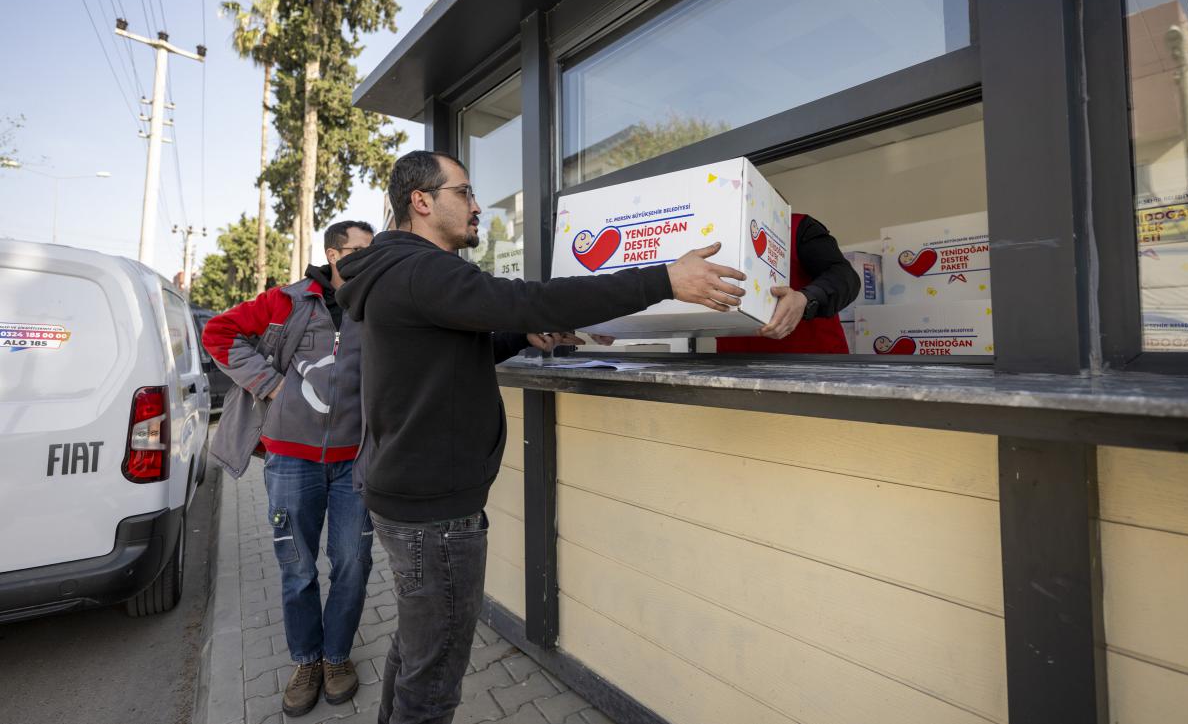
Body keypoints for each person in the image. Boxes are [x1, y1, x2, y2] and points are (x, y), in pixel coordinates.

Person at [336, 150, 747, 724]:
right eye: (464, 192)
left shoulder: (399, 271)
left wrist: (523, 336)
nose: (477, 206)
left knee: (415, 653)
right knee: (431, 681)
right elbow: (531, 299)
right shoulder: (423, 270)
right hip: (433, 515)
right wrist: (665, 279)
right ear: (421, 201)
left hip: (409, 498)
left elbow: (449, 355)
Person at [202, 221, 376, 717]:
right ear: (333, 254)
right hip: (291, 462)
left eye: (374, 251)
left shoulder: (379, 306)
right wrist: (271, 385)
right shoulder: (288, 300)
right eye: (359, 251)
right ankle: (306, 660)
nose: (368, 259)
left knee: (353, 564)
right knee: (297, 568)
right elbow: (218, 332)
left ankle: (336, 657)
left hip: (355, 463)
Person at [717, 213, 861, 353]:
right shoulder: (713, 234)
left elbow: (845, 276)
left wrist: (806, 298)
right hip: (732, 360)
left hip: (812, 357)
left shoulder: (796, 227)